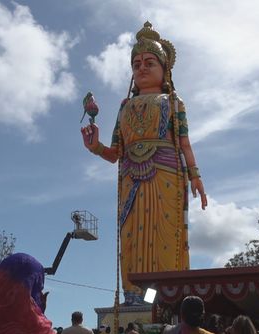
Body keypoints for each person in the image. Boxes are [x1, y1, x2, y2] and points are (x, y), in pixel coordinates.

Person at [80, 21, 207, 301]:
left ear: (165, 69)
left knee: (165, 234)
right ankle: (135, 297)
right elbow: (115, 153)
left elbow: (184, 142)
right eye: (136, 64)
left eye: (149, 62)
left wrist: (195, 175)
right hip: (131, 178)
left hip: (166, 173)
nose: (142, 68)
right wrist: (96, 147)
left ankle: (168, 296)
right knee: (133, 238)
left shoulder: (173, 102)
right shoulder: (124, 108)